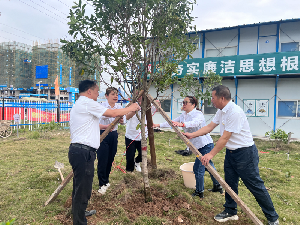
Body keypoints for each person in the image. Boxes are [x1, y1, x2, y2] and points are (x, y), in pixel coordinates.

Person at [183, 85, 279, 225]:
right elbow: (209, 127)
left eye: (213, 98)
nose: (211, 100)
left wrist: (210, 154)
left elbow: (225, 138)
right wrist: (192, 134)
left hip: (245, 154)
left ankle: (272, 218)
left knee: (255, 185)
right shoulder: (221, 111)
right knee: (229, 184)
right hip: (231, 153)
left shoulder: (234, 112)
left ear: (222, 98)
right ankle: (230, 211)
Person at [69, 80, 140, 225]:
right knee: (83, 189)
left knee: (80, 186)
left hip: (80, 151)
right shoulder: (87, 103)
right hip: (83, 152)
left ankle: (79, 213)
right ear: (89, 91)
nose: (97, 94)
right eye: (96, 91)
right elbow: (113, 113)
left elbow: (99, 122)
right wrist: (131, 107)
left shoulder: (82, 104)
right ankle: (79, 221)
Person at [153, 96, 222, 198]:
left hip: (205, 145)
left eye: (186, 102)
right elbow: (172, 123)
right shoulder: (183, 115)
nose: (183, 104)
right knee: (209, 166)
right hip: (197, 146)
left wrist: (182, 124)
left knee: (198, 168)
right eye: (183, 102)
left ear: (193, 104)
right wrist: (157, 125)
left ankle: (199, 192)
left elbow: (195, 123)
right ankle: (217, 185)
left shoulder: (198, 114)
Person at [97, 87, 125, 195]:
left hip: (113, 134)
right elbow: (101, 116)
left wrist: (122, 120)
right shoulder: (102, 106)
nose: (115, 96)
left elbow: (123, 121)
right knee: (102, 158)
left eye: (116, 94)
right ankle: (101, 184)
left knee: (111, 157)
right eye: (113, 94)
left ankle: (106, 180)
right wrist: (113, 114)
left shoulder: (119, 107)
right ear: (106, 96)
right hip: (103, 133)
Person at [125, 96, 158, 172]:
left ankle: (137, 162)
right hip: (131, 135)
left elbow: (157, 108)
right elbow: (126, 117)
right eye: (137, 94)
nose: (139, 96)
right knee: (130, 155)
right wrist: (133, 110)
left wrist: (154, 101)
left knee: (142, 154)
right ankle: (130, 171)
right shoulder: (131, 105)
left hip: (142, 135)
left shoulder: (147, 106)